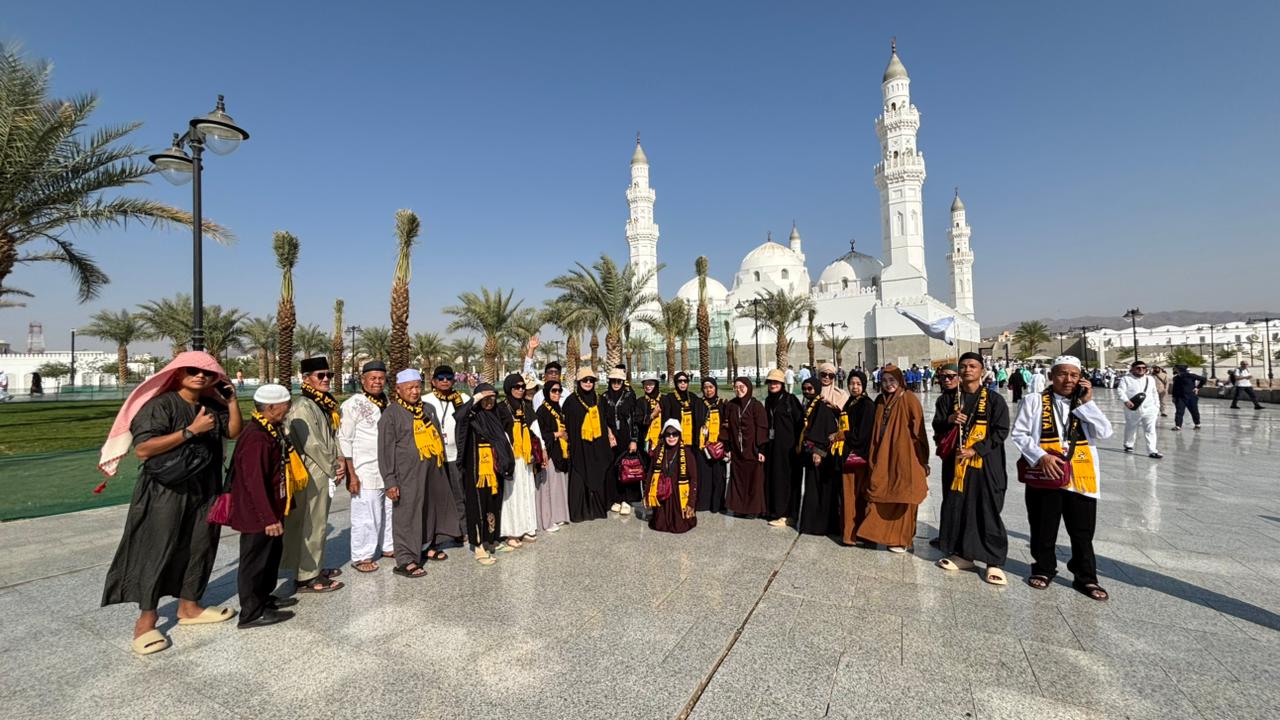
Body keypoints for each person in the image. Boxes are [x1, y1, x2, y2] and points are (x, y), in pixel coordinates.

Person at [99, 351, 244, 654]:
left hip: (205, 489)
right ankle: (146, 621)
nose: (200, 376)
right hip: (166, 490)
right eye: (192, 370)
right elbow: (144, 449)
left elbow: (232, 432)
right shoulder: (161, 405)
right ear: (178, 373)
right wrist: (190, 431)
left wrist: (231, 402)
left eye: (207, 372)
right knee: (158, 548)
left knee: (201, 545)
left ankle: (189, 607)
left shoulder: (212, 406)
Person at [1010, 355, 1113, 601]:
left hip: (1080, 475)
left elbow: (1105, 432)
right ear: (1051, 376)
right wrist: (1041, 456)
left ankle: (1086, 577)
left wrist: (1087, 404)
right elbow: (1020, 433)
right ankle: (1044, 569)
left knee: (1082, 531)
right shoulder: (1035, 401)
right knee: (1043, 525)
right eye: (1062, 374)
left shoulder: (1083, 405)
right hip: (1046, 473)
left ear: (1081, 379)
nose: (1068, 380)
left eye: (1074, 375)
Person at [935, 353, 1010, 585]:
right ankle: (964, 555)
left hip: (985, 464)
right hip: (957, 465)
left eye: (972, 366)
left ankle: (993, 561)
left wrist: (976, 449)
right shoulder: (948, 399)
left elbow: (1000, 431)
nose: (967, 370)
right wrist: (950, 420)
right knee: (958, 506)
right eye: (963, 366)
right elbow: (936, 426)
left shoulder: (994, 400)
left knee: (985, 509)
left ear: (981, 370)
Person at [229, 384, 301, 628]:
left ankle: (264, 599)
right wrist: (268, 518)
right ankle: (251, 612)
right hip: (258, 515)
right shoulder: (256, 438)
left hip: (273, 509)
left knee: (269, 558)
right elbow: (255, 483)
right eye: (286, 405)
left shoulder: (270, 430)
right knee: (255, 562)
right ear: (271, 408)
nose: (288, 410)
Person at [380, 369, 461, 576]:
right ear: (398, 390)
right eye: (410, 388)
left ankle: (426, 546)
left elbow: (437, 438)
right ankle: (405, 559)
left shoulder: (428, 409)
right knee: (407, 514)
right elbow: (385, 450)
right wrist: (390, 480)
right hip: (407, 474)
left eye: (417, 387)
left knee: (430, 509)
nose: (415, 392)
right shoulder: (392, 414)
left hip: (433, 470)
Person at [282, 356, 345, 594]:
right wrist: (334, 466)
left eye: (328, 374)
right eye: (321, 375)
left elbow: (331, 435)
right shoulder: (302, 406)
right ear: (306, 379)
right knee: (312, 523)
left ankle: (312, 567)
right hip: (312, 471)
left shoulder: (321, 403)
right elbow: (313, 445)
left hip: (322, 469)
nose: (326, 379)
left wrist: (338, 459)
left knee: (314, 522)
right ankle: (307, 576)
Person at [858, 364, 929, 552]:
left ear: (900, 381)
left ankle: (902, 539)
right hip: (883, 456)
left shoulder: (909, 399)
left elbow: (919, 431)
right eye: (885, 380)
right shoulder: (881, 401)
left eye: (892, 380)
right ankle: (880, 535)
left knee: (904, 495)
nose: (889, 384)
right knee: (882, 492)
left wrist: (923, 460)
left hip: (905, 457)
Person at [339, 361, 394, 573]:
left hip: (387, 469)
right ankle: (362, 556)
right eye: (373, 378)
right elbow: (345, 439)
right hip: (364, 470)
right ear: (363, 380)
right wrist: (351, 474)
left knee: (389, 511)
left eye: (381, 378)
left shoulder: (387, 402)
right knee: (366, 514)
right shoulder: (353, 404)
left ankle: (388, 546)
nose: (377, 382)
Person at [455, 383, 515, 564]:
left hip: (495, 466)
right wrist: (476, 398)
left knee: (493, 504)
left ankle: (492, 541)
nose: (489, 402)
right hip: (476, 470)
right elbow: (459, 416)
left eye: (492, 398)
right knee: (477, 507)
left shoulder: (494, 415)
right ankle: (479, 547)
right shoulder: (472, 416)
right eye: (485, 399)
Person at [423, 364, 470, 550]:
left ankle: (462, 531)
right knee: (437, 497)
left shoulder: (462, 398)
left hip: (456, 455)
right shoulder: (425, 400)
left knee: (459, 495)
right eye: (440, 378)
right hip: (435, 456)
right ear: (433, 381)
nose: (445, 381)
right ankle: (437, 535)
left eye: (448, 378)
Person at [562, 367, 611, 521]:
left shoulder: (599, 399)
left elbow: (605, 422)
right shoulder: (571, 401)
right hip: (580, 447)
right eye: (585, 380)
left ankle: (597, 509)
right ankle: (580, 512)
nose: (588, 383)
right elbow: (568, 424)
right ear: (578, 381)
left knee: (598, 474)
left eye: (591, 380)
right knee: (579, 477)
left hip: (597, 446)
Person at [497, 373, 540, 545]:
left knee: (526, 491)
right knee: (512, 494)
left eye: (523, 387)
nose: (520, 390)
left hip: (526, 456)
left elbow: (535, 430)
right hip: (511, 456)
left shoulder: (526, 406)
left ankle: (527, 527)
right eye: (516, 387)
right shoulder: (501, 408)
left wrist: (539, 449)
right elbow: (499, 433)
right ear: (508, 388)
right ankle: (512, 533)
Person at [795, 377, 839, 535]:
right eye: (805, 389)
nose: (807, 392)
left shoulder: (822, 407)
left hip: (820, 457)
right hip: (811, 455)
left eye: (810, 389)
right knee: (813, 488)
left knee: (820, 490)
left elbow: (825, 429)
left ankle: (821, 525)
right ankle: (812, 524)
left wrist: (818, 452)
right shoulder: (810, 405)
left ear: (817, 389)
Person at [763, 368, 804, 527]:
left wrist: (798, 446)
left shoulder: (790, 400)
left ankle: (788, 515)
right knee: (776, 479)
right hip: (774, 447)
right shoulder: (768, 400)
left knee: (788, 480)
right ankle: (776, 511)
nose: (773, 385)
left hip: (789, 448)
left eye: (776, 382)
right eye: (771, 382)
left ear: (782, 383)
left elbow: (800, 423)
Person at [839, 371, 875, 546]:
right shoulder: (851, 403)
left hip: (858, 457)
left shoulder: (867, 405)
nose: (854, 387)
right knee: (850, 496)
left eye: (858, 384)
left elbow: (862, 435)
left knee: (855, 496)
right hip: (850, 455)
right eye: (852, 383)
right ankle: (850, 533)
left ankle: (855, 534)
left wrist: (842, 435)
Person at [644, 419, 699, 533]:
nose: (671, 437)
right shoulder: (659, 450)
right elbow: (650, 472)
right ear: (664, 435)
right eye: (668, 434)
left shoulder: (687, 453)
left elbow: (694, 478)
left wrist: (691, 502)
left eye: (675, 434)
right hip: (662, 490)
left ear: (679, 435)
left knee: (679, 527)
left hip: (679, 493)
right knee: (658, 525)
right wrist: (647, 494)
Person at [928, 364, 961, 547]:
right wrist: (949, 419)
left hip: (970, 454)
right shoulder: (943, 400)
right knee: (948, 494)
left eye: (951, 376)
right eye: (943, 377)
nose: (947, 380)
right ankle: (946, 536)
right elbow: (937, 424)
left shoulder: (969, 397)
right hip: (950, 453)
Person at [725, 376, 768, 517]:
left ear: (748, 388)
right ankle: (739, 508)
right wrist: (727, 448)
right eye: (736, 387)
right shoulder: (731, 405)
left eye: (742, 387)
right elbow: (726, 428)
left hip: (752, 450)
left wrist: (761, 449)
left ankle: (752, 510)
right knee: (738, 481)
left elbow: (762, 428)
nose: (739, 390)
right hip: (737, 451)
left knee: (753, 481)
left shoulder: (756, 406)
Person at [535, 380, 572, 531]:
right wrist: (556, 434)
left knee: (559, 485)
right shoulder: (542, 411)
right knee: (548, 487)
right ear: (546, 392)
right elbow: (538, 434)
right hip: (549, 453)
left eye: (559, 391)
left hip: (560, 453)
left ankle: (559, 516)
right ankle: (547, 519)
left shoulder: (558, 409)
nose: (557, 394)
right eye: (553, 391)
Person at [602, 368, 638, 515]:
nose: (616, 384)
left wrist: (634, 440)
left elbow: (634, 419)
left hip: (626, 436)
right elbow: (603, 419)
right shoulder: (604, 397)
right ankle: (615, 498)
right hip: (611, 438)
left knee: (627, 467)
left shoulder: (629, 395)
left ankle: (626, 500)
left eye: (619, 381)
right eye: (613, 381)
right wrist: (609, 434)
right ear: (609, 381)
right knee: (613, 468)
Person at [694, 377, 729, 513]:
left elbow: (727, 425)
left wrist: (724, 444)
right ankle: (703, 503)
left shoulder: (722, 404)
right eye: (705, 388)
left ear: (715, 388)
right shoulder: (698, 404)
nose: (708, 390)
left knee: (718, 476)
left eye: (711, 387)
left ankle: (717, 505)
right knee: (704, 476)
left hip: (717, 447)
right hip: (702, 447)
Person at [1117, 360, 1161, 459]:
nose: (1141, 370)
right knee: (1131, 427)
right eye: (1138, 368)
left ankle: (1152, 450)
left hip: (1150, 408)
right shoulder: (1126, 379)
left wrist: (1157, 406)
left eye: (1143, 368)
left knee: (1150, 429)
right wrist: (1126, 401)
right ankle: (1128, 444)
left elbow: (1154, 392)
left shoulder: (1150, 379)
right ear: (1133, 369)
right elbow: (1120, 390)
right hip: (1133, 408)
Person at [1170, 365, 1206, 431]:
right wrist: (1174, 397)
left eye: (1175, 369)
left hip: (1191, 397)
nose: (1174, 370)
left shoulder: (1191, 376)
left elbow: (1203, 379)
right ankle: (1178, 426)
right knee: (1179, 412)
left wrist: (1197, 388)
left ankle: (1197, 424)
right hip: (1180, 397)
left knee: (1194, 411)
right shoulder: (1176, 378)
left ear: (1179, 369)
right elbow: (1175, 388)